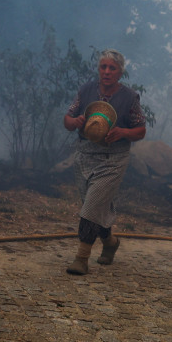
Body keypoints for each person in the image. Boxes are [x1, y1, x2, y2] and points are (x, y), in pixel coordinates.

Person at [63, 49, 146, 275]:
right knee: (96, 206)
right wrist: (76, 121)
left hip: (113, 159)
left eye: (112, 68)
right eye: (103, 67)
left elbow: (140, 130)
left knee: (90, 207)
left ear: (120, 72)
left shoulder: (129, 97)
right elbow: (67, 119)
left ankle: (81, 258)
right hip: (85, 155)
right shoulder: (86, 90)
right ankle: (110, 242)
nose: (107, 72)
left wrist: (123, 132)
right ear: (99, 69)